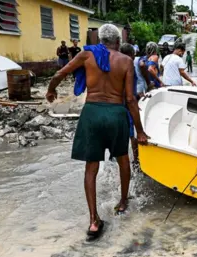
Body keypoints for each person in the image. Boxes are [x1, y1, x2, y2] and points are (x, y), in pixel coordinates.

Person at [45, 24, 149, 241]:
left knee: (91, 167)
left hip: (92, 113)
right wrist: (140, 131)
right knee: (123, 160)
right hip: (116, 113)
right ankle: (122, 204)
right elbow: (130, 99)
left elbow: (60, 73)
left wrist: (51, 90)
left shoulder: (86, 55)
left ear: (100, 40)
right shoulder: (126, 61)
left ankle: (93, 221)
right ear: (118, 41)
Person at [120, 43, 147, 171]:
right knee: (133, 134)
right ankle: (136, 162)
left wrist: (137, 95)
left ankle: (118, 158)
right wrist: (133, 103)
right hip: (126, 104)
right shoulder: (128, 65)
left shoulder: (115, 64)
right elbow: (128, 94)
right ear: (131, 55)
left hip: (117, 105)